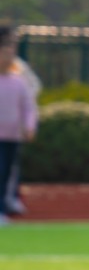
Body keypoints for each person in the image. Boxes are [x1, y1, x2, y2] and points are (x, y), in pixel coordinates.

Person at [0, 27, 38, 227]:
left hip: (12, 136)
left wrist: (29, 126)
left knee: (7, 172)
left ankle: (7, 203)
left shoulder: (19, 80)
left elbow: (28, 106)